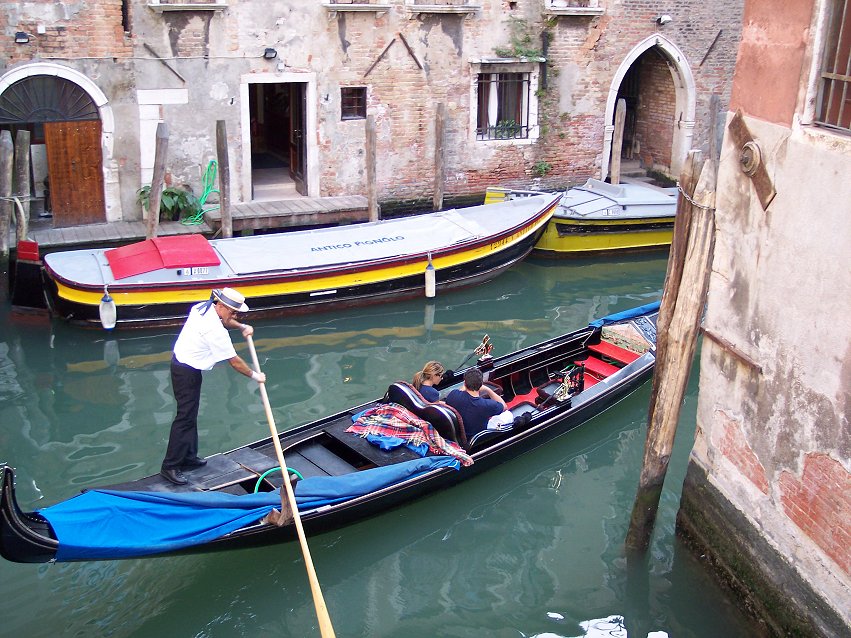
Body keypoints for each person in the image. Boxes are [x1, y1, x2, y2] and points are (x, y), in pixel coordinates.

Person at [160, 287, 266, 485]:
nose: (235, 316)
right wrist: (255, 375)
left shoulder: (203, 307)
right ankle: (170, 466)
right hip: (185, 370)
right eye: (233, 312)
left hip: (187, 365)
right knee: (184, 417)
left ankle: (188, 457)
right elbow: (234, 362)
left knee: (190, 414)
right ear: (221, 305)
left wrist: (241, 326)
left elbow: (226, 319)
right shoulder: (215, 331)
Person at [444, 367, 507, 439]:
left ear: (464, 383)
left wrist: (465, 386)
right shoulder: (487, 405)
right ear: (481, 385)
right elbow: (504, 407)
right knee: (507, 414)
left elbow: (460, 391)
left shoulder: (453, 394)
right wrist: (488, 390)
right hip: (477, 438)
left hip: (458, 435)